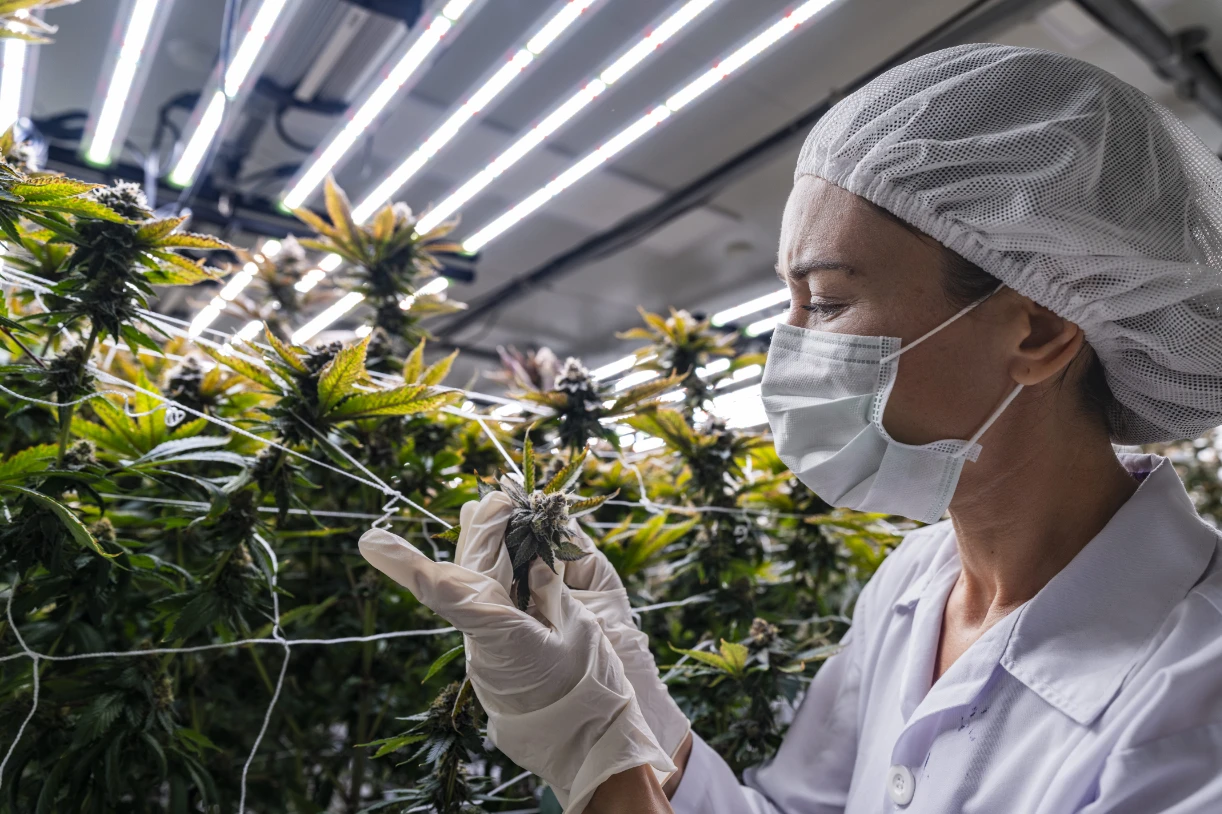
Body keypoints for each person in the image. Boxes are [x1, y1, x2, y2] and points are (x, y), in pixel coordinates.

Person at [358, 42, 1222, 813]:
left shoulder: (1195, 699)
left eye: (832, 301)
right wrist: (630, 703)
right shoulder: (916, 583)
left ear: (1036, 332)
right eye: (790, 302)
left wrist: (600, 762)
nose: (790, 351)